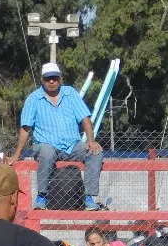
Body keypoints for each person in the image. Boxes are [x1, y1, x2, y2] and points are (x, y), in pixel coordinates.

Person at [12, 63, 105, 211]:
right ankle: (41, 196)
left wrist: (91, 140)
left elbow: (85, 119)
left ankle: (89, 197)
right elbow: (25, 128)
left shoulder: (70, 93)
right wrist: (17, 154)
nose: (51, 81)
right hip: (46, 144)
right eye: (48, 78)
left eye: (54, 78)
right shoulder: (33, 99)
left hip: (72, 145)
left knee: (95, 152)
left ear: (60, 79)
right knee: (47, 152)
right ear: (42, 80)